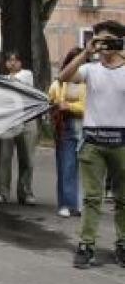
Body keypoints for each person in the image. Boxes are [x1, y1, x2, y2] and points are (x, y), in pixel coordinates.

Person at [58, 19, 125, 269]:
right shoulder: (91, 69)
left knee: (123, 198)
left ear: (119, 41)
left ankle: (122, 243)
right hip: (93, 140)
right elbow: (64, 76)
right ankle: (86, 245)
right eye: (100, 40)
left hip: (121, 141)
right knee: (92, 198)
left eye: (109, 40)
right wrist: (86, 53)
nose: (104, 45)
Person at [0, 51, 38, 205]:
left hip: (27, 119)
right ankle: (1, 191)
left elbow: (16, 84)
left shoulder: (26, 74)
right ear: (5, 63)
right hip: (7, 121)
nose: (12, 63)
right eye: (9, 60)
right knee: (3, 157)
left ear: (21, 63)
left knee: (28, 158)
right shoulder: (2, 79)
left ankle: (25, 192)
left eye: (16, 60)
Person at [48, 47, 86, 218]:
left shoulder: (89, 81)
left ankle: (77, 203)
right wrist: (56, 105)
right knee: (66, 166)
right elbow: (51, 100)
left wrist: (69, 106)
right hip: (66, 126)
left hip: (86, 127)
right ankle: (66, 204)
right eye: (73, 61)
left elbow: (88, 107)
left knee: (84, 169)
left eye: (81, 61)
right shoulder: (59, 83)